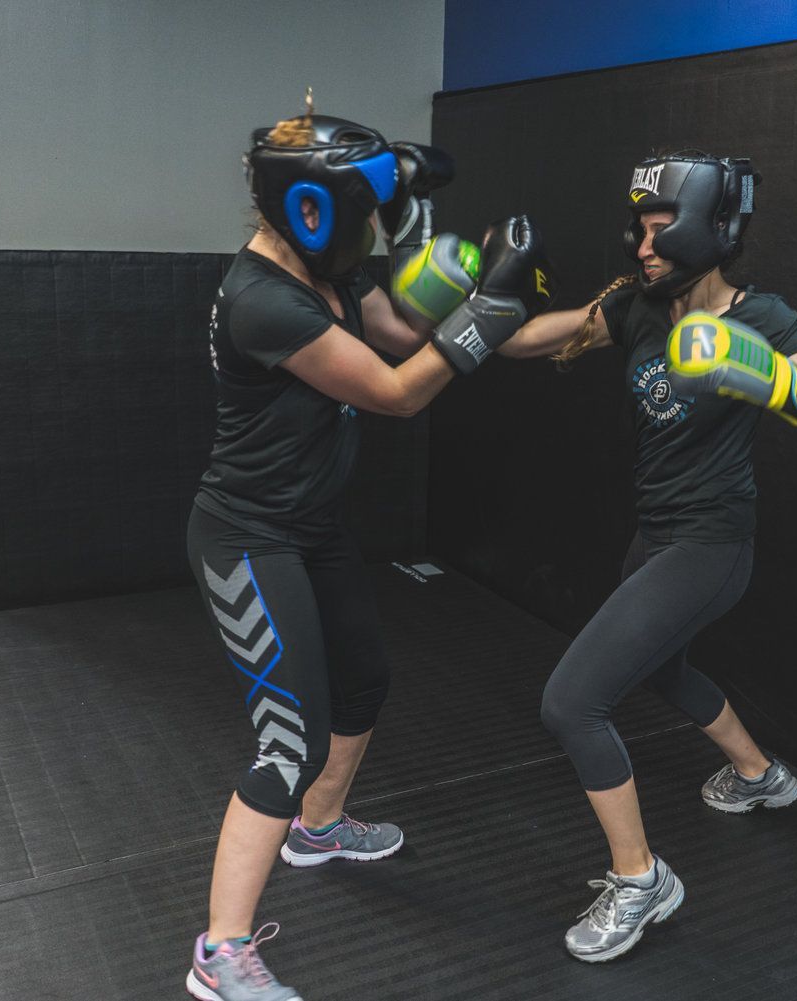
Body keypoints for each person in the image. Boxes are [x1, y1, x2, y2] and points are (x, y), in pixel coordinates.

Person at [185, 105, 555, 1001]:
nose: (368, 237)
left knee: (363, 683)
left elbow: (399, 332)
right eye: (360, 218)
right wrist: (495, 303)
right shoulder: (265, 300)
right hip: (246, 538)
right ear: (309, 211)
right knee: (288, 741)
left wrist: (556, 320)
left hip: (311, 529)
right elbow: (395, 391)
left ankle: (320, 827)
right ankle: (219, 952)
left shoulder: (326, 276)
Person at [498, 151, 797, 962]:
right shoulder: (633, 306)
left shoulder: (763, 318)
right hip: (656, 533)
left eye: (661, 229)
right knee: (662, 669)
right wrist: (483, 303)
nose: (642, 246)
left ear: (712, 229)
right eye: (641, 229)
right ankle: (760, 774)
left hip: (712, 543)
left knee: (571, 701)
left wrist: (766, 374)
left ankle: (641, 879)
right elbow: (525, 342)